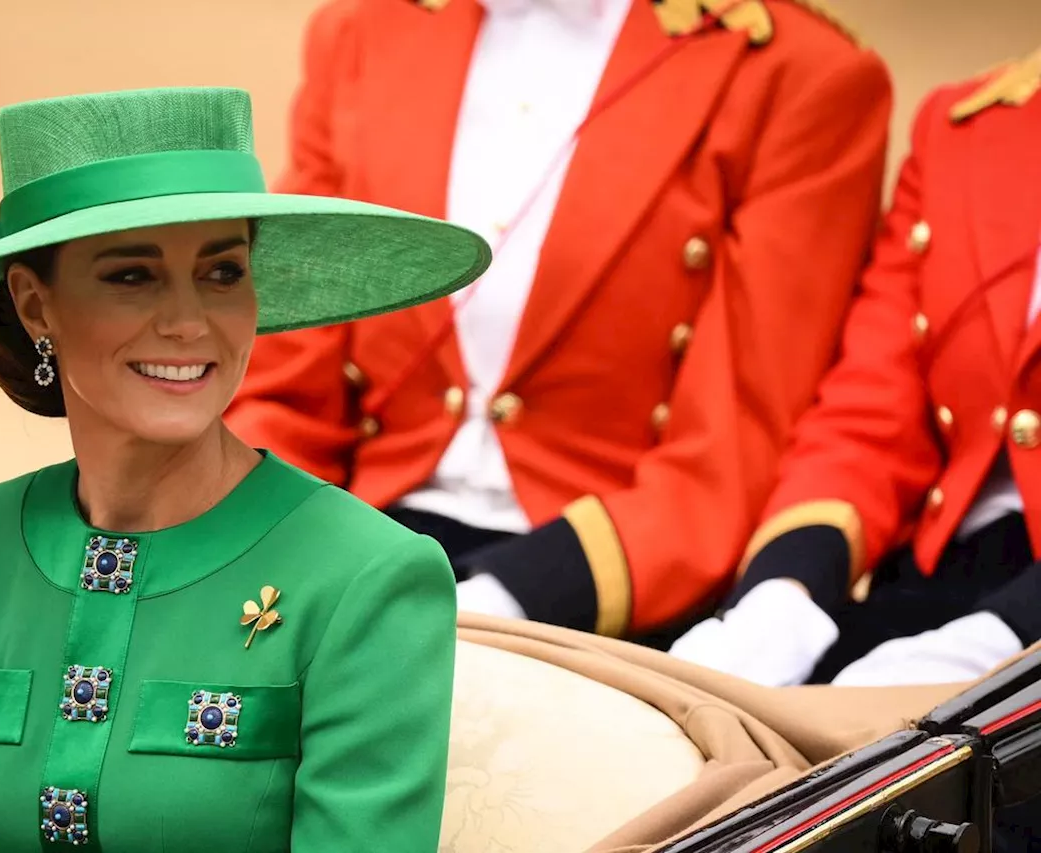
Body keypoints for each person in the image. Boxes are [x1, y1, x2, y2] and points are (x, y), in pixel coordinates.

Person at [0, 87, 491, 851]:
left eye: (223, 272)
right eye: (133, 275)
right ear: (35, 306)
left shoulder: (369, 577)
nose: (189, 321)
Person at [226, 0, 893, 643]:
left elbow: (731, 448)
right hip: (352, 546)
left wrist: (498, 601)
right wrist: (245, 542)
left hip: (592, 588)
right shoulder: (365, 31)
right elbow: (287, 375)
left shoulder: (795, 72)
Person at [669, 50, 1041, 688]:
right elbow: (873, 409)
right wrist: (781, 593)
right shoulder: (968, 124)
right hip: (945, 573)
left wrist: (1002, 638)